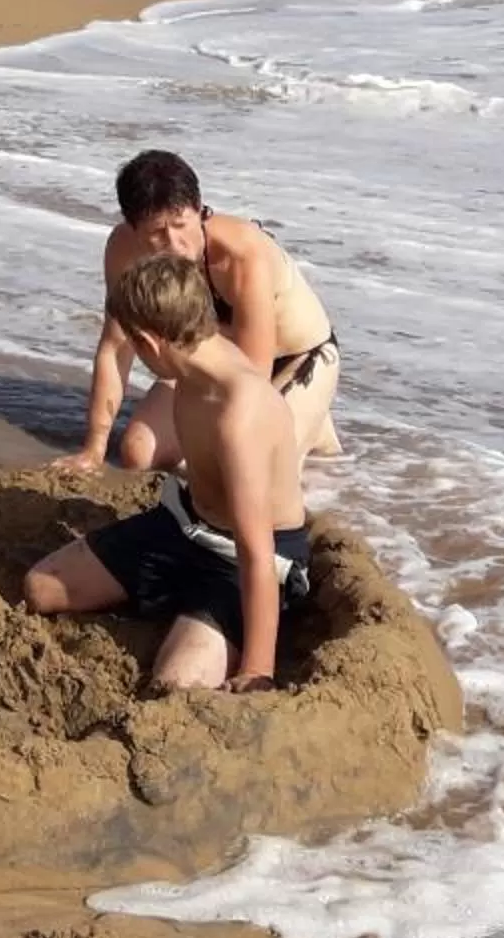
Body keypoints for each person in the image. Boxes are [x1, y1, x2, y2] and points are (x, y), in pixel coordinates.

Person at [24, 256, 311, 693]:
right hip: (183, 526)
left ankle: (212, 627)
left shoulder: (239, 414)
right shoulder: (193, 366)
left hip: (244, 561)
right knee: (40, 588)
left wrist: (258, 670)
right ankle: (181, 606)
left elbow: (257, 551)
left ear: (148, 343)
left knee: (176, 685)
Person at [65, 149, 340, 475]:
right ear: (132, 226)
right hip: (210, 361)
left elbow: (254, 374)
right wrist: (93, 449)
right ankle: (304, 422)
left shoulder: (242, 254)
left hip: (299, 358)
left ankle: (310, 416)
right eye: (156, 232)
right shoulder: (124, 250)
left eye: (181, 225)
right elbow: (115, 348)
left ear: (200, 209)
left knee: (254, 467)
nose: (174, 244)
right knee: (137, 453)